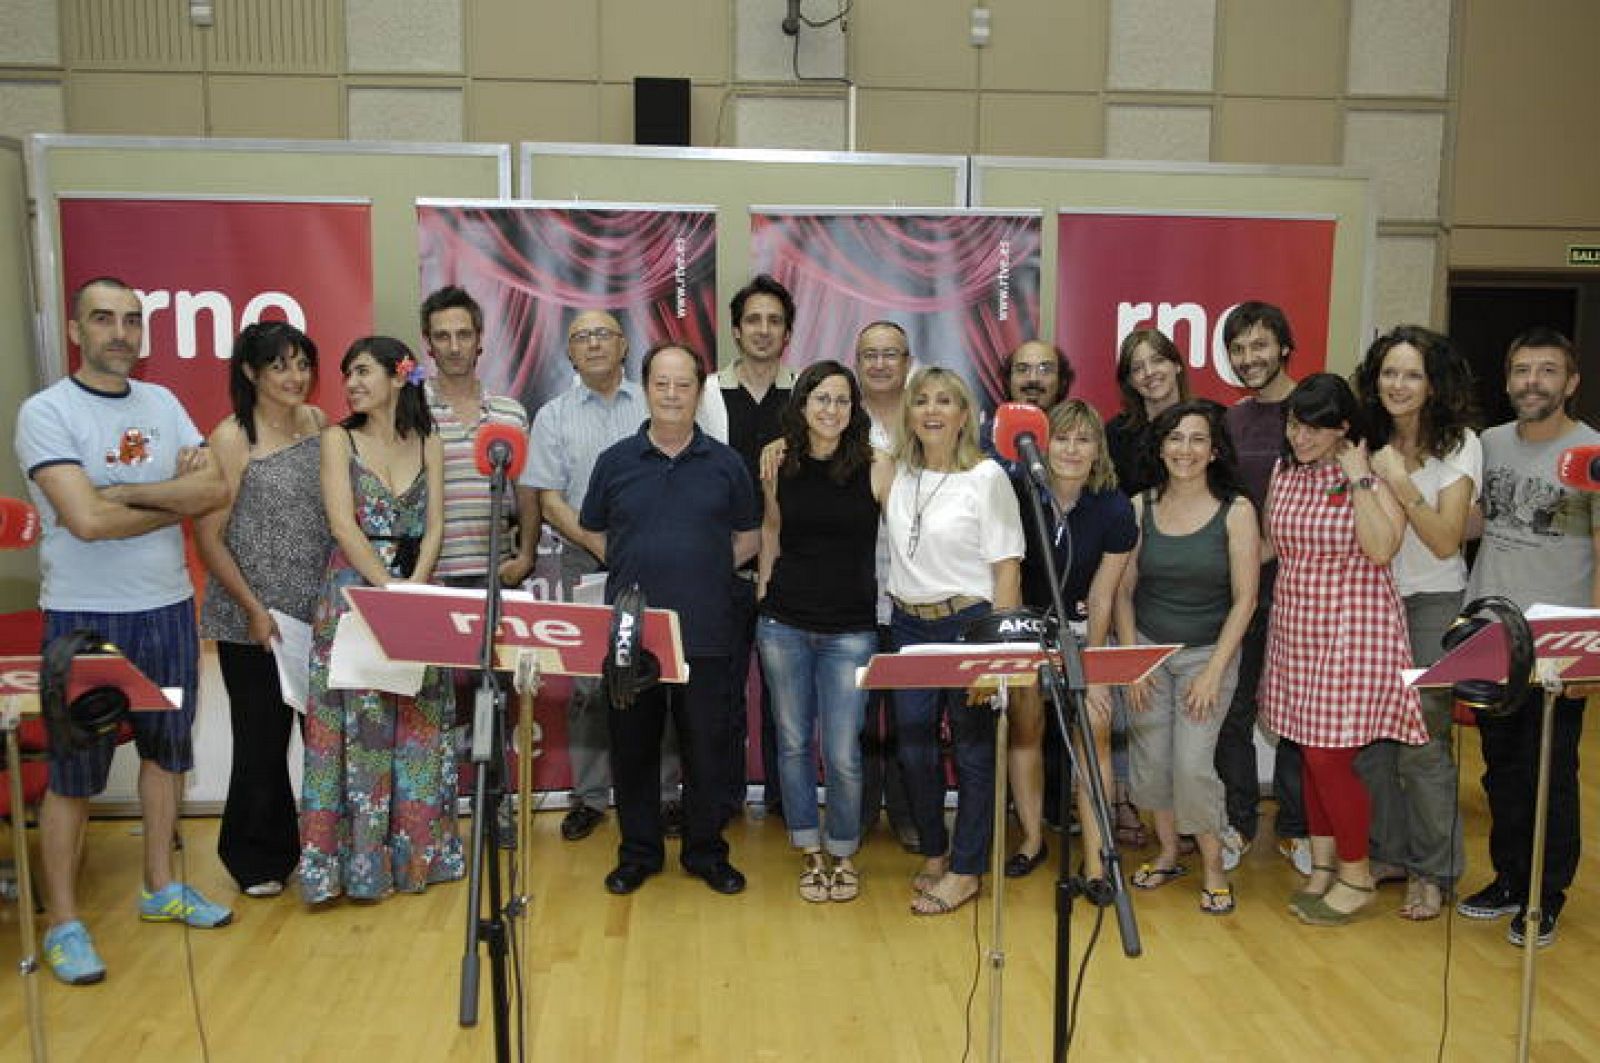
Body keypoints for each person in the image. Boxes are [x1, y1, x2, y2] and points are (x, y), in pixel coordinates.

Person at [16, 276, 231, 985]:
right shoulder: (46, 412)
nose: (120, 331)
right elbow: (85, 521)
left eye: (132, 320)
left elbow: (213, 489)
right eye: (103, 319)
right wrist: (165, 498)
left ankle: (160, 886)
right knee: (74, 772)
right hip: (85, 617)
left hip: (167, 608)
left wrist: (122, 491)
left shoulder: (163, 402)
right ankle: (65, 923)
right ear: (77, 330)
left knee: (167, 754)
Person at [581, 342, 761, 896]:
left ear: (699, 391)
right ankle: (638, 852)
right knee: (632, 749)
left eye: (684, 385)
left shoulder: (727, 464)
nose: (673, 394)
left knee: (706, 748)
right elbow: (593, 529)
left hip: (705, 632)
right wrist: (639, 562)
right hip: (633, 636)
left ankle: (706, 852)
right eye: (662, 383)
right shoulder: (614, 461)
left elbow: (749, 536)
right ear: (647, 388)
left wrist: (701, 568)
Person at [299, 336, 462, 904]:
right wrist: (385, 593)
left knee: (417, 728)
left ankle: (418, 858)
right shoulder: (336, 439)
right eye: (347, 375)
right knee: (357, 737)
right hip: (352, 600)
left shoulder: (430, 440)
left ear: (399, 377)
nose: (352, 384)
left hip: (414, 595)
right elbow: (343, 525)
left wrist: (414, 590)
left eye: (363, 372)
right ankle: (358, 869)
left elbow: (437, 523)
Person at [1259, 373, 1427, 925]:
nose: (1300, 437)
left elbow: (1381, 550)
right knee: (1308, 749)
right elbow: (1271, 542)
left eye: (1314, 427)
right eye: (1293, 423)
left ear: (1343, 428)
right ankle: (1324, 865)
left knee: (1329, 756)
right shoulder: (1284, 471)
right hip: (1297, 626)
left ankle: (1357, 875)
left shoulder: (1374, 472)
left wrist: (1357, 480)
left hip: (1354, 631)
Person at [1456, 327, 1598, 948]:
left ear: (1569, 382)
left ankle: (1546, 894)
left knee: (1551, 772)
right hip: (1490, 632)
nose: (1531, 382)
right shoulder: (1486, 444)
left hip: (1558, 642)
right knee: (1500, 770)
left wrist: (1592, 651)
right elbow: (1472, 518)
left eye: (1546, 371)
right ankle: (1510, 878)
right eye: (1521, 371)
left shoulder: (1591, 451)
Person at [520, 309, 682, 842]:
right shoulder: (552, 416)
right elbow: (546, 495)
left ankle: (665, 796)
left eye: (603, 335)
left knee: (654, 676)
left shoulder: (653, 400)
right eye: (581, 337)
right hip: (584, 558)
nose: (592, 345)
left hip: (655, 556)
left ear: (623, 346)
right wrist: (595, 541)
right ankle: (590, 798)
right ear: (569, 353)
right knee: (591, 685)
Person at [196, 321, 331, 898]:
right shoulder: (230, 437)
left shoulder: (320, 424)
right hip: (251, 617)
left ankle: (320, 848)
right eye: (279, 366)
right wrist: (253, 606)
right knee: (261, 739)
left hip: (317, 614)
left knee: (322, 736)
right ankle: (255, 858)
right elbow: (209, 536)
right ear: (250, 373)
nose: (294, 377)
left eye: (301, 364)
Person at [1352, 326, 1481, 921]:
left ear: (1433, 385)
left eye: (1411, 375)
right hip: (1370, 604)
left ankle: (1435, 871)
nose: (1397, 386)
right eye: (1388, 373)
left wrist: (1399, 482)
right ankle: (1390, 854)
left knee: (1423, 746)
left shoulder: (1460, 446)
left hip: (1431, 605)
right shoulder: (1362, 439)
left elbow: (1445, 538)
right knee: (1373, 744)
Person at [885, 366, 1024, 916]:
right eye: (921, 401)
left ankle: (967, 870)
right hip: (908, 627)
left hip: (970, 625)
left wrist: (999, 657)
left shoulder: (987, 477)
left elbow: (1008, 570)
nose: (932, 410)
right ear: (909, 414)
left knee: (972, 753)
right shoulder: (895, 472)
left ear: (965, 415)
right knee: (913, 749)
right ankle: (936, 854)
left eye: (945, 401)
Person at [757, 361, 895, 901]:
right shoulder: (777, 461)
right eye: (821, 398)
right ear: (803, 404)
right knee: (792, 744)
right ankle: (808, 850)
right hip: (783, 624)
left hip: (851, 631)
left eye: (841, 400)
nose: (831, 409)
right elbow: (772, 530)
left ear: (853, 409)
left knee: (842, 751)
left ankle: (842, 851)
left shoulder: (877, 464)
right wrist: (763, 596)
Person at [1116, 401, 1259, 915]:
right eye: (1175, 438)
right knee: (1152, 765)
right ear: (1160, 446)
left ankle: (1215, 867)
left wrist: (1216, 671)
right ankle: (1170, 852)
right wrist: (1135, 660)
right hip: (1149, 651)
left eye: (1198, 439)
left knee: (1194, 765)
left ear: (1215, 449)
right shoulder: (1139, 506)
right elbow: (1124, 592)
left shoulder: (1237, 510)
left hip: (1208, 655)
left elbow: (1246, 598)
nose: (1185, 449)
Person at [1006, 400, 1136, 880]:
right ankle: (1033, 840)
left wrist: (1095, 672)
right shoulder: (1019, 495)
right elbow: (1008, 572)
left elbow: (1104, 595)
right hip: (1026, 629)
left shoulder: (1115, 507)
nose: (1072, 449)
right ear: (1043, 444)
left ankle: (1100, 860)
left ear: (1097, 448)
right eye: (1062, 438)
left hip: (1084, 630)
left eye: (1084, 439)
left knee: (1095, 734)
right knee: (1025, 731)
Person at [1217, 300, 1308, 874]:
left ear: (1284, 347)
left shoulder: (1314, 412)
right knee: (1232, 711)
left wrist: (1258, 563)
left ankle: (1298, 828)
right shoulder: (1232, 420)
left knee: (1299, 715)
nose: (1249, 358)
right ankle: (1239, 820)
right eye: (1238, 348)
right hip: (1239, 595)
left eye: (1259, 345)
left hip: (1301, 591)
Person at [713, 275, 798, 822]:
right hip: (721, 569)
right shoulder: (706, 393)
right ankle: (720, 799)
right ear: (737, 330)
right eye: (753, 320)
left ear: (787, 332)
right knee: (721, 694)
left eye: (774, 321)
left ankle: (785, 802)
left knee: (784, 699)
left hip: (789, 570)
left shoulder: (809, 393)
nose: (763, 330)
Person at [419, 285, 538, 590]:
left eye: (464, 334)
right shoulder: (410, 411)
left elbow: (527, 492)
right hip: (428, 575)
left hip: (497, 576)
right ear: (428, 344)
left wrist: (525, 556)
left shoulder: (510, 413)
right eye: (442, 337)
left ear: (479, 340)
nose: (454, 347)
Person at [852, 322, 918, 850]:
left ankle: (906, 812)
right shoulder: (840, 419)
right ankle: (856, 811)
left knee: (906, 716)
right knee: (855, 713)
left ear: (906, 360)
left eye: (889, 354)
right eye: (869, 355)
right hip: (853, 587)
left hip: (915, 590)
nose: (879, 364)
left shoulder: (928, 419)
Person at [1105, 328, 1191, 496]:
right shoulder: (1115, 435)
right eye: (1137, 368)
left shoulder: (1208, 422)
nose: (1149, 372)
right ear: (1130, 381)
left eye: (1158, 360)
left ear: (1177, 365)